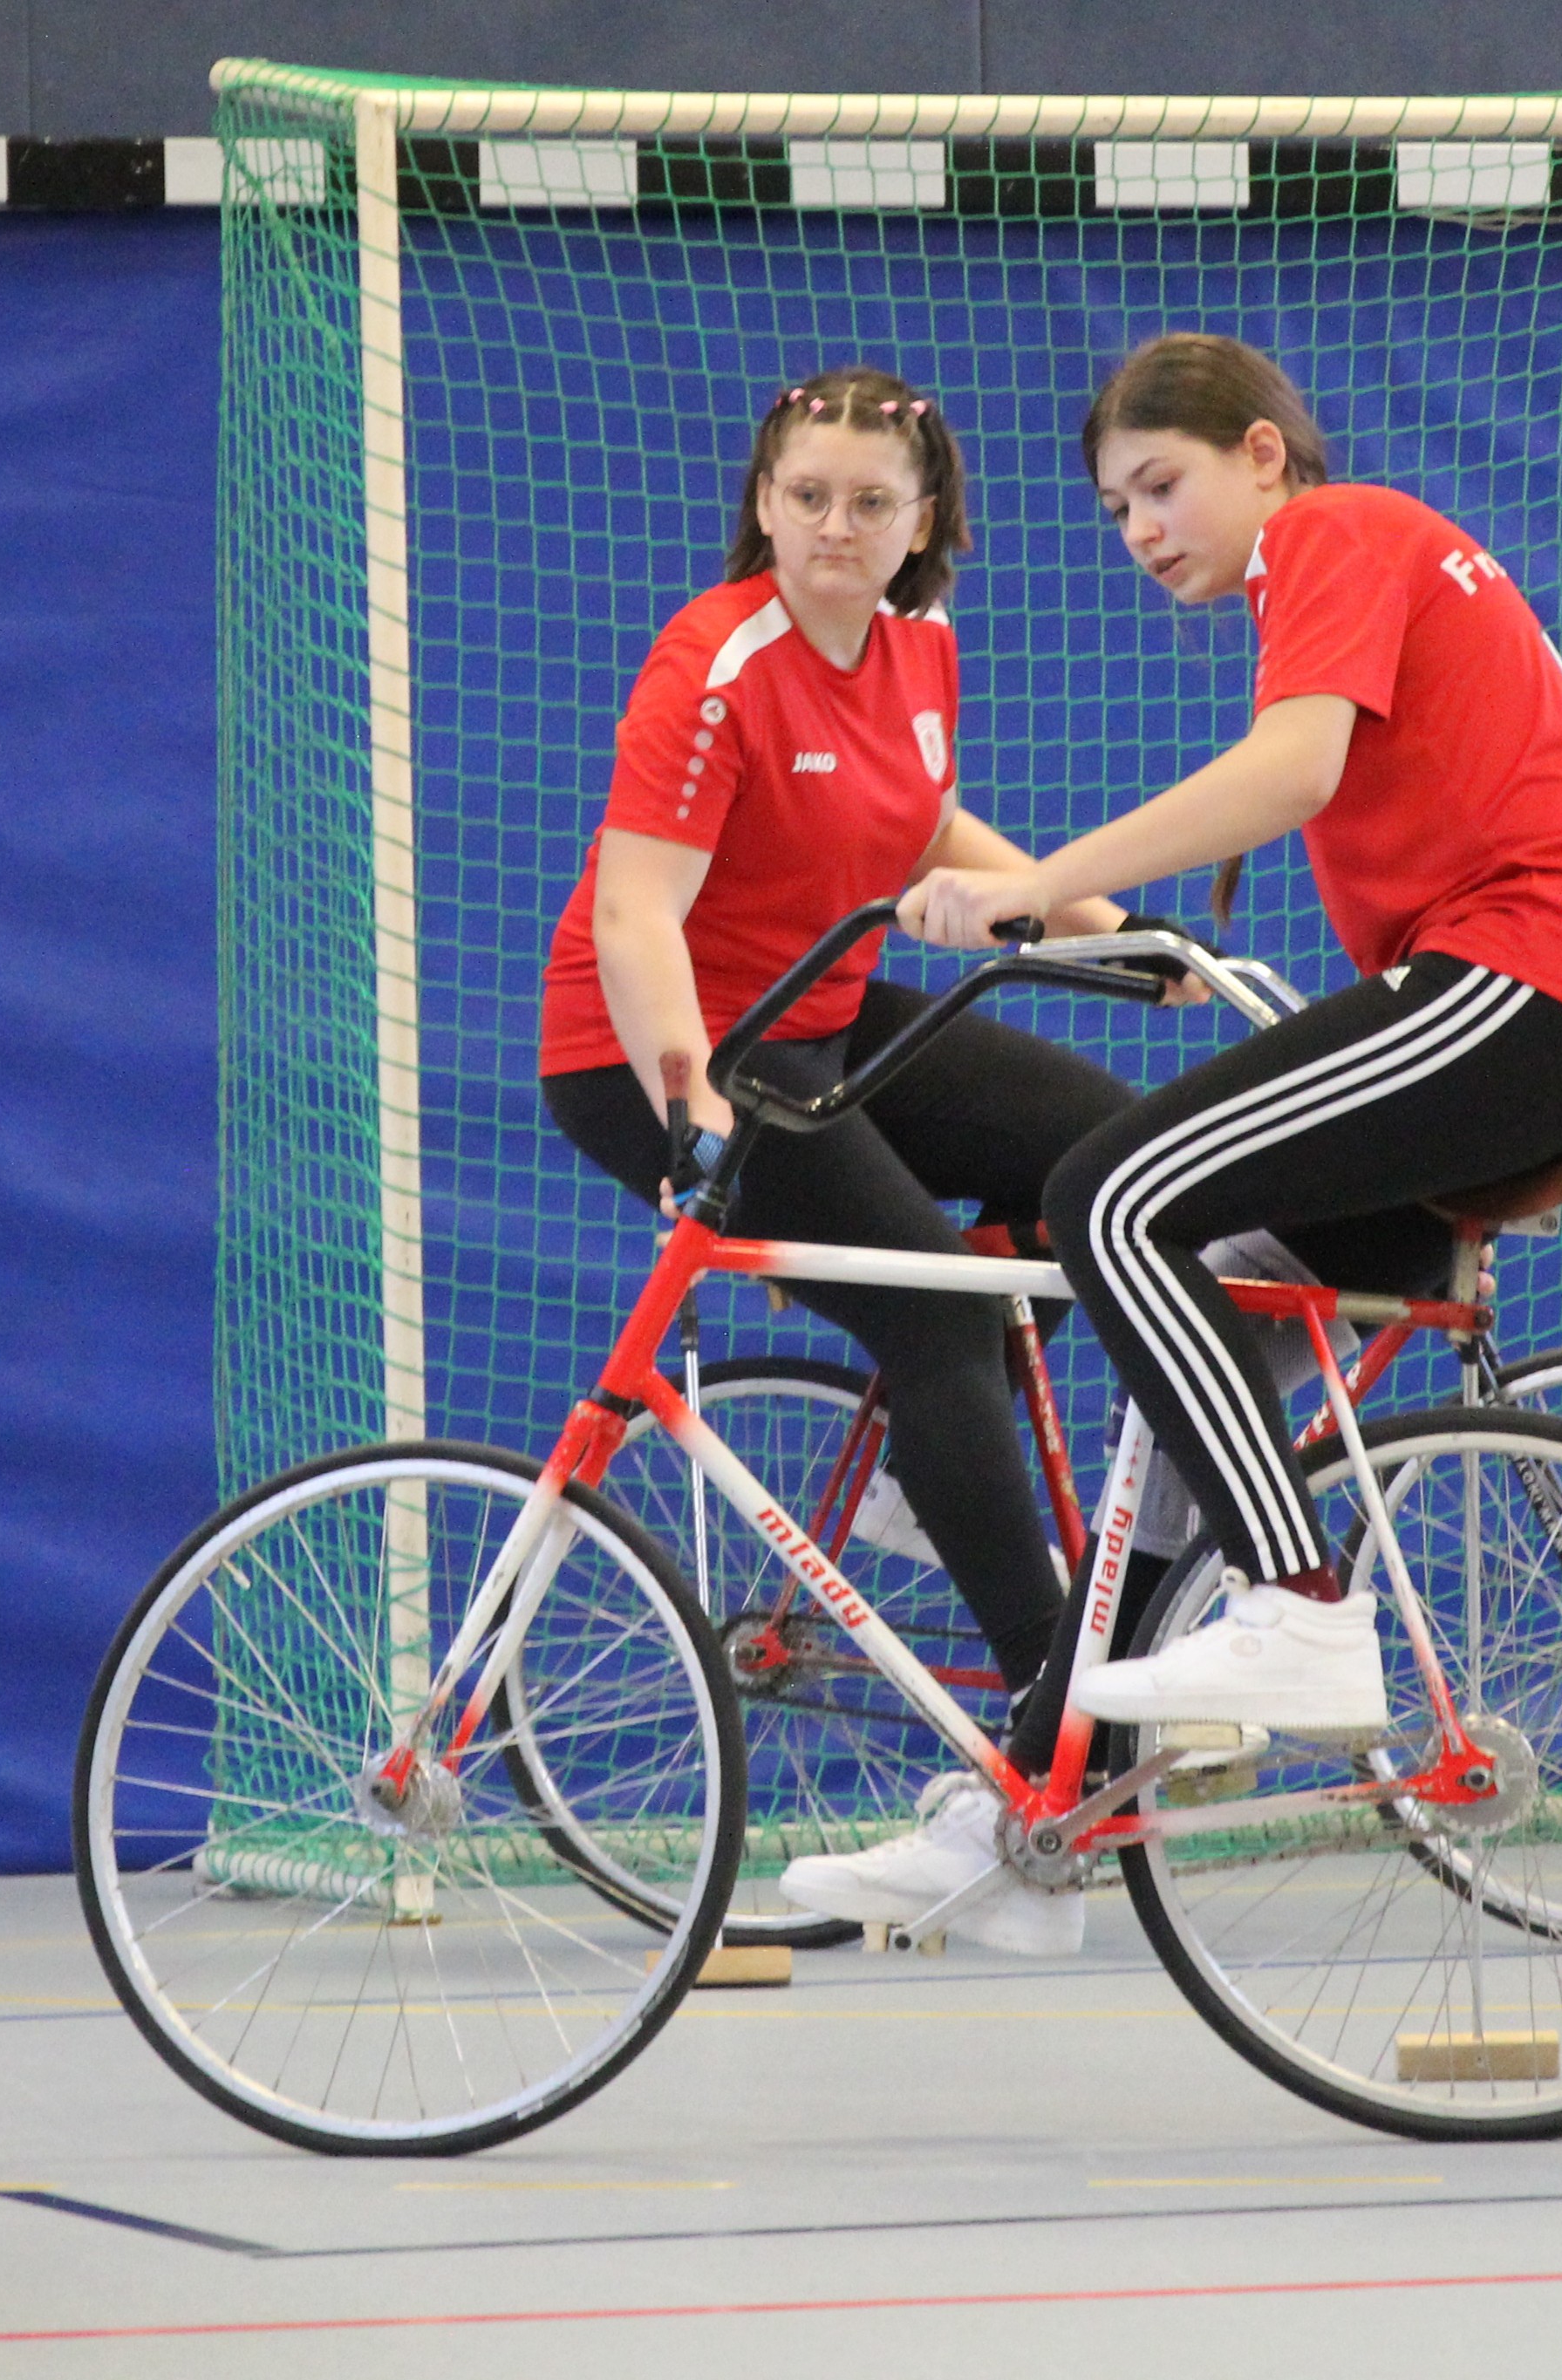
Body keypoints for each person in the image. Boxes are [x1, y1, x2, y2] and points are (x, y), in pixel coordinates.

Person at [787, 331, 1562, 1940]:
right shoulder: (1346, 571)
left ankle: (1300, 1607)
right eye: (1116, 510)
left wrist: (1034, 883)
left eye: (1163, 484)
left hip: (1544, 978)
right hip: (1545, 997)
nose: (1143, 530)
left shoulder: (1335, 533)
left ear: (1264, 454)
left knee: (1107, 1190)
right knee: (1197, 1343)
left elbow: (1294, 767)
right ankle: (1040, 1816)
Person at [540, 367, 1177, 1951]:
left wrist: (1104, 925)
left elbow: (928, 824)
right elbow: (634, 913)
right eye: (809, 495)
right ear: (765, 502)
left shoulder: (918, 646)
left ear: (922, 520)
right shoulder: (713, 665)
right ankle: (1055, 1747)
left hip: (822, 1014)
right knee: (944, 1317)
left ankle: (915, 1470)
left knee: (1112, 1160)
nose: (837, 525)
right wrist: (692, 1109)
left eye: (871, 502)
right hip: (663, 1048)